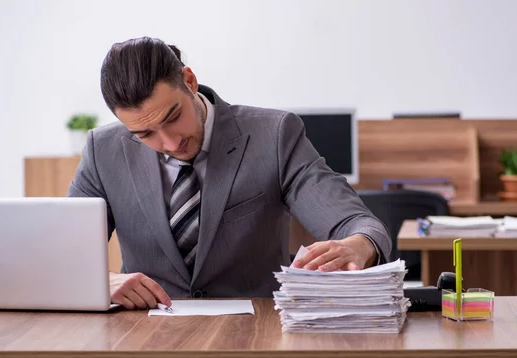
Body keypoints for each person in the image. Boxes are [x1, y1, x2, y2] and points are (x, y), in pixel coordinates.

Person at [67, 37, 391, 310]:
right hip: (145, 335)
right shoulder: (104, 149)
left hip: (255, 332)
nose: (169, 142)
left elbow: (355, 223)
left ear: (190, 81)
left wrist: (359, 245)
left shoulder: (273, 135)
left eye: (172, 117)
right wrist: (99, 281)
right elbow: (67, 254)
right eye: (145, 134)